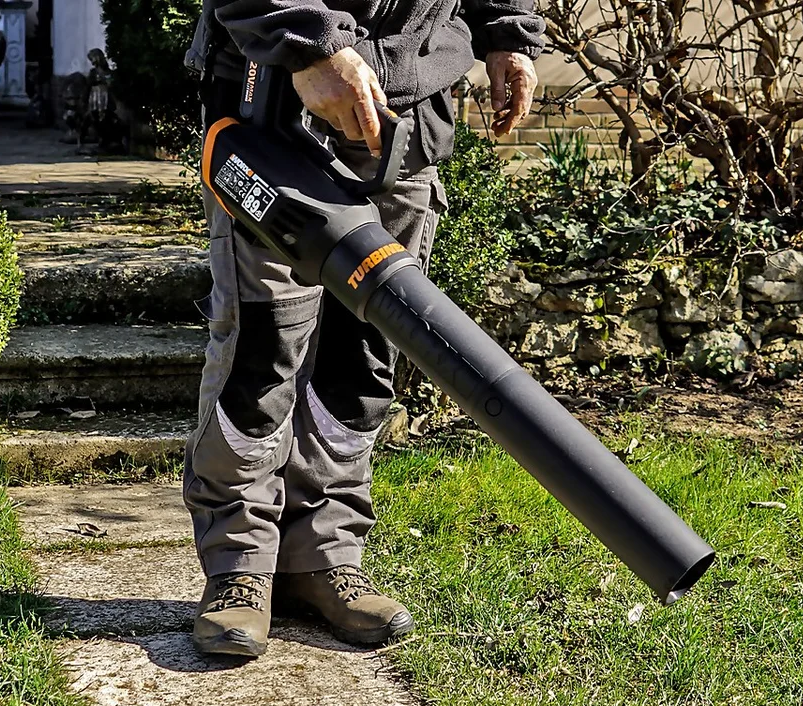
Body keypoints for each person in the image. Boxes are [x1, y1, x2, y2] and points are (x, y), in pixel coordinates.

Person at [183, 0, 541, 657]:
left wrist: (507, 31)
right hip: (275, 101)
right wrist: (306, 42)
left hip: (407, 108)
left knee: (364, 355)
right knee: (263, 349)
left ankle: (323, 556)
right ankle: (240, 564)